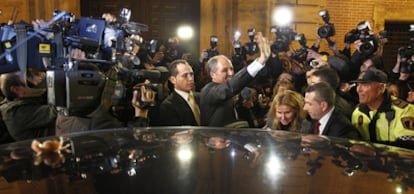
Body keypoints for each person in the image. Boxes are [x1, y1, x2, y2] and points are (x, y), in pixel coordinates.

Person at [200, 32, 270, 127]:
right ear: (213, 74)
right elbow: (229, 88)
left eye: (231, 69)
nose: (231, 73)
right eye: (225, 70)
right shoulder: (209, 91)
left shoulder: (238, 94)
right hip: (214, 140)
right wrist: (260, 61)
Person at [351, 68, 414, 149]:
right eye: (358, 85)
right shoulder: (358, 113)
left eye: (365, 85)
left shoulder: (405, 111)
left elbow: (407, 148)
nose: (358, 90)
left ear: (380, 88)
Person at [0, 72, 56, 141]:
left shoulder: (20, 98)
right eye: (29, 77)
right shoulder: (16, 113)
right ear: (16, 89)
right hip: (58, 139)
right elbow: (56, 112)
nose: (37, 78)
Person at [158, 59, 200, 126]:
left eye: (191, 74)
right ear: (173, 80)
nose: (190, 79)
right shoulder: (168, 106)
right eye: (185, 75)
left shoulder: (201, 97)